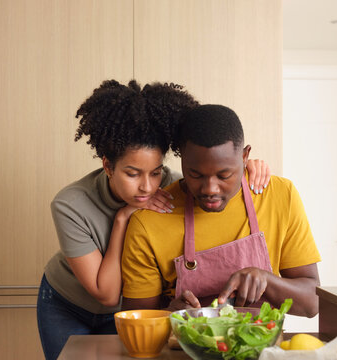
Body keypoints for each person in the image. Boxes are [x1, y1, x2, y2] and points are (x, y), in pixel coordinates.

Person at [37, 81, 270, 360]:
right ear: (108, 166)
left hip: (134, 309)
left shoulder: (173, 187)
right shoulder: (71, 204)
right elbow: (107, 294)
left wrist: (249, 166)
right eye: (133, 174)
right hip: (68, 305)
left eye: (156, 172)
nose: (147, 187)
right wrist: (124, 217)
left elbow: (215, 176)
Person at [121, 104, 321, 317]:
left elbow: (313, 305)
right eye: (195, 175)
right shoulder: (148, 222)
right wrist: (170, 314)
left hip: (262, 349)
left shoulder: (280, 195)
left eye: (224, 175)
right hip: (183, 349)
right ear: (182, 159)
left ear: (245, 157)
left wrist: (267, 281)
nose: (210, 189)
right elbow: (136, 320)